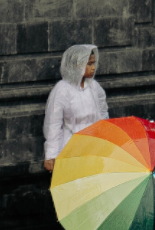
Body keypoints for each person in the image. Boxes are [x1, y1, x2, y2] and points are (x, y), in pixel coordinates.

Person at [41, 43, 107, 171]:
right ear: (77, 65)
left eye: (94, 63)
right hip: (71, 147)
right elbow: (53, 124)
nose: (93, 68)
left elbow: (103, 113)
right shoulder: (62, 90)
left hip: (95, 145)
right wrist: (51, 155)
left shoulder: (94, 87)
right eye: (89, 64)